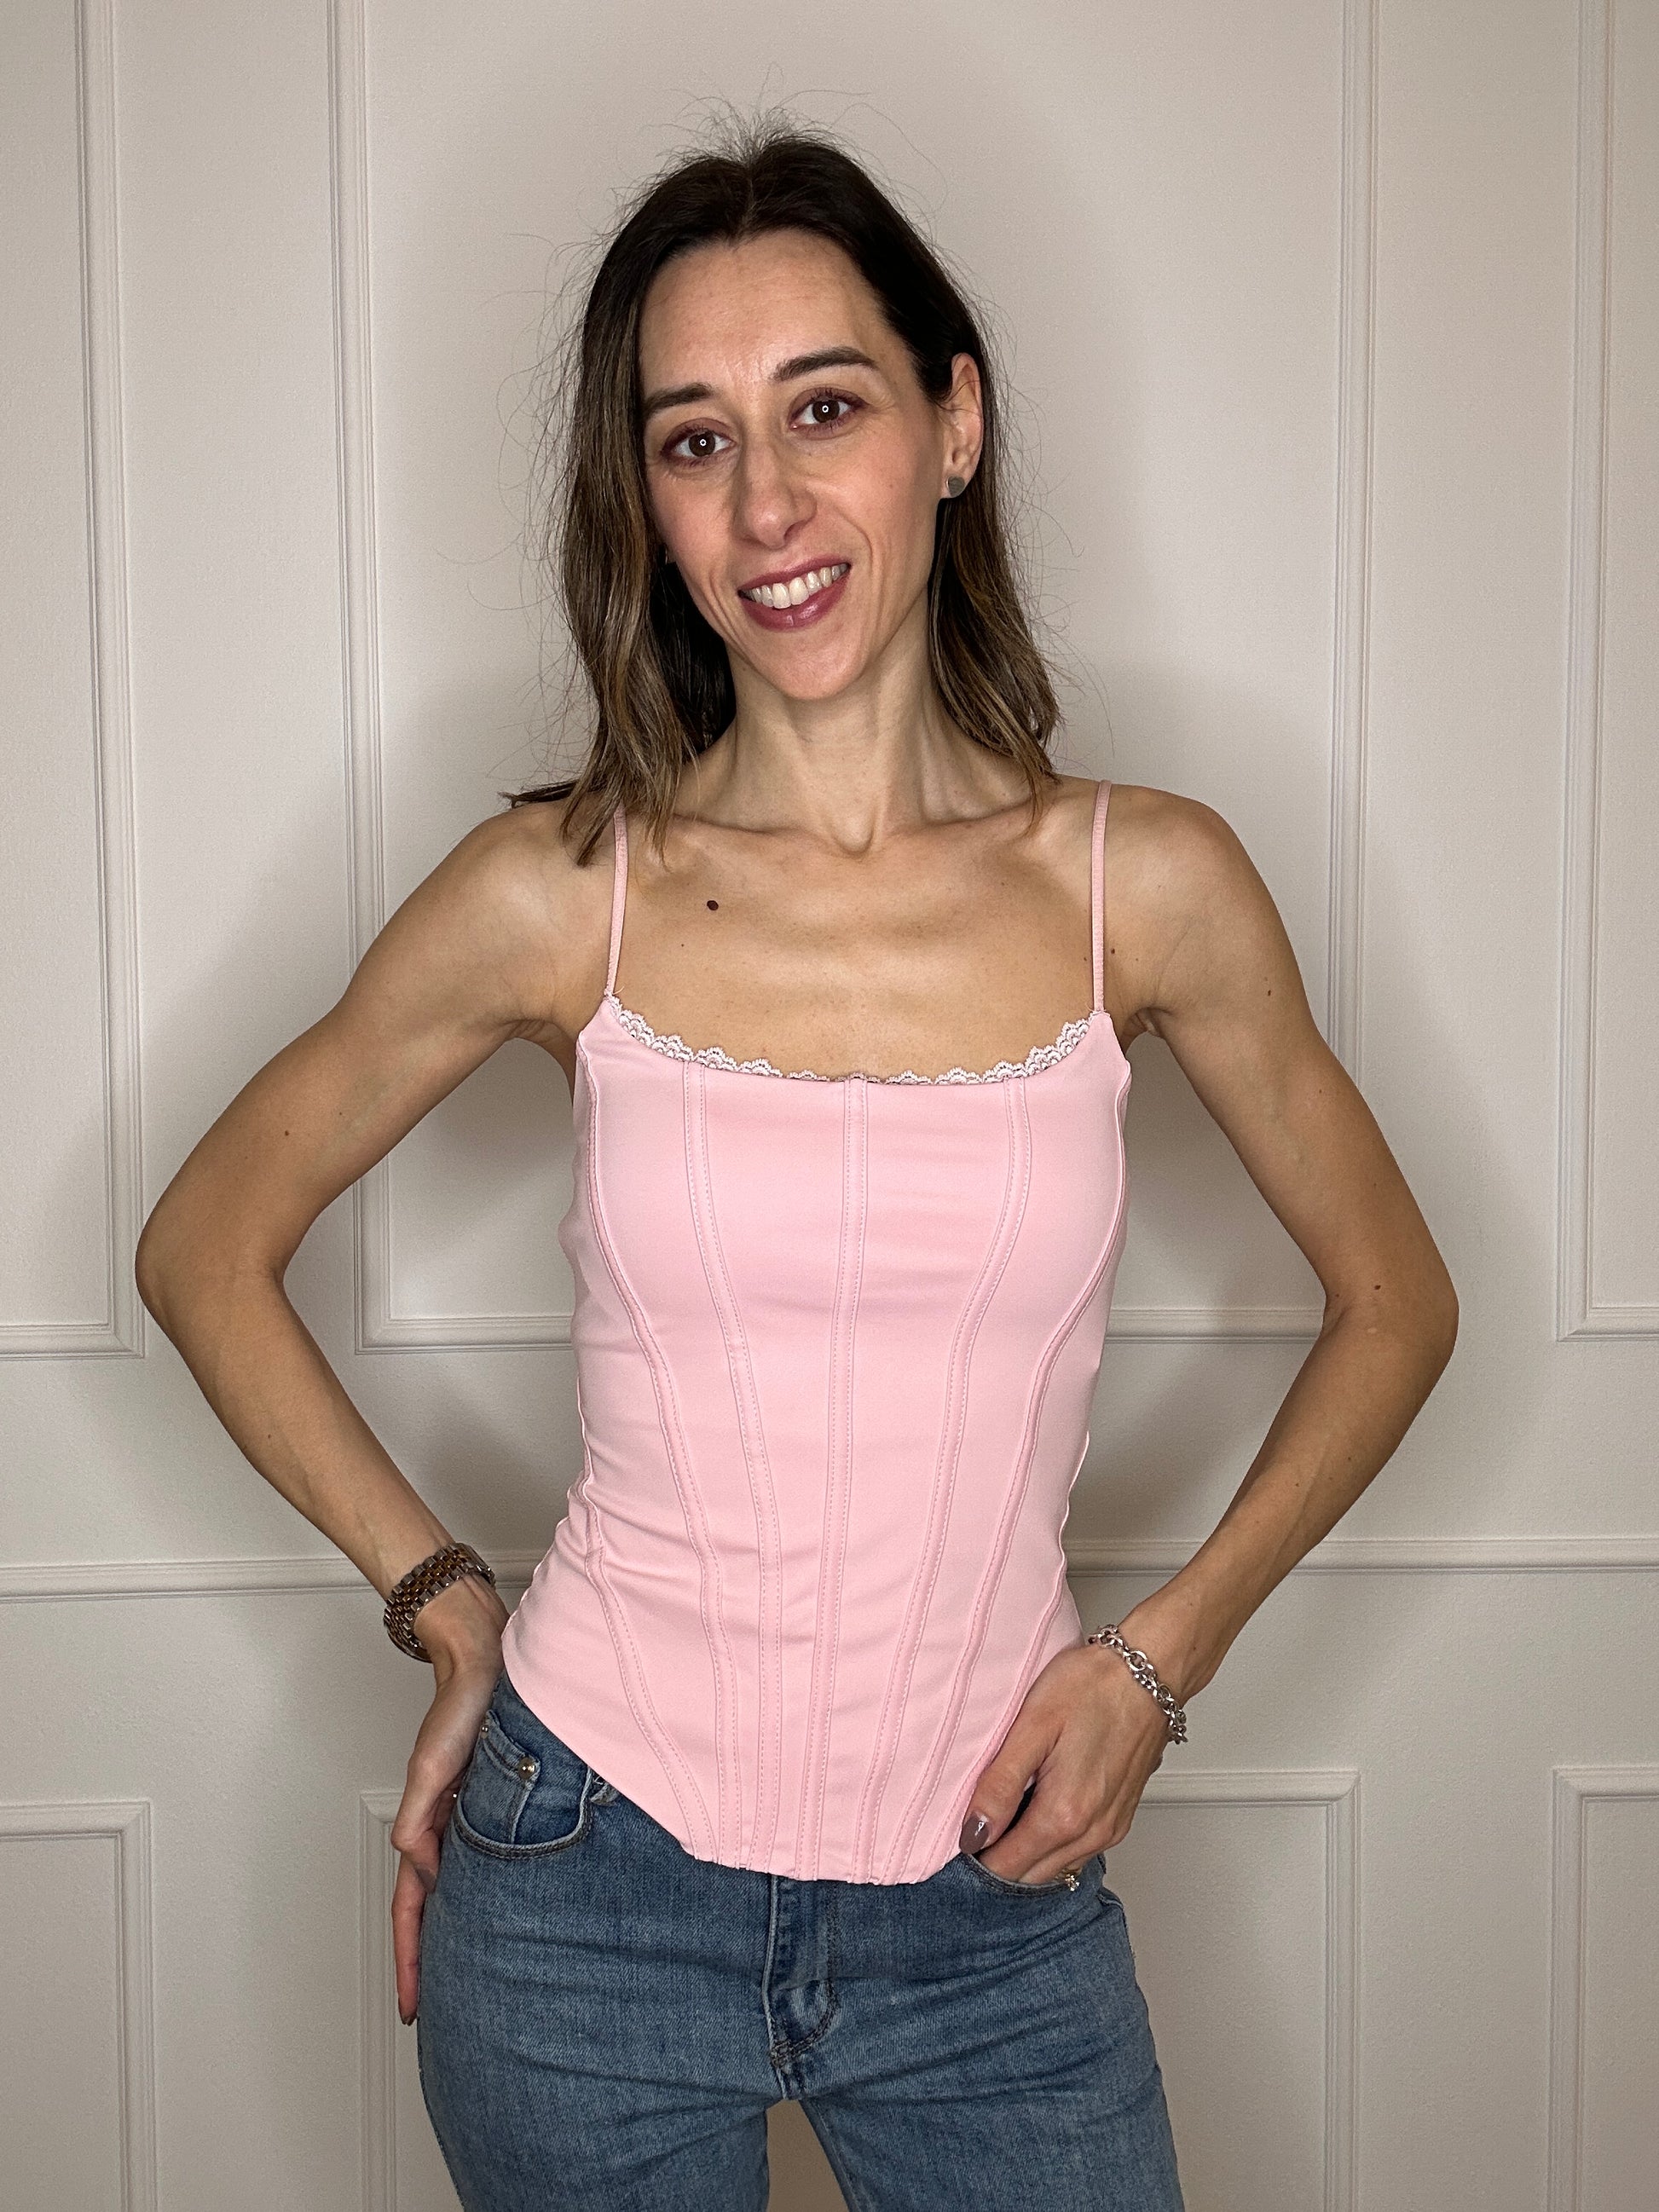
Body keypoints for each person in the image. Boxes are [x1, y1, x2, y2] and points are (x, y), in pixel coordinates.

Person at [136, 117, 1457, 2212]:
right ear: (648, 507)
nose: (765, 502)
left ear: (954, 425)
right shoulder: (559, 891)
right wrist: (445, 1603)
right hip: (581, 1885)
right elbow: (204, 1243)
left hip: (991, 1896)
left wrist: (1156, 1659)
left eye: (823, 408)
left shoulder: (1147, 887)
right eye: (694, 440)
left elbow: (1399, 1304)